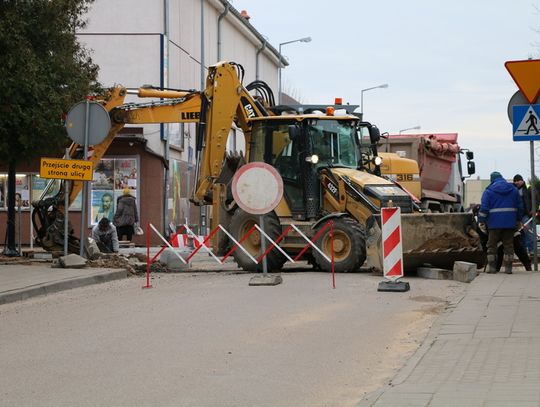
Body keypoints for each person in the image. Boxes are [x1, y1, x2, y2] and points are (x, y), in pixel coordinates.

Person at [478, 171, 523, 274]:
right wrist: (518, 219)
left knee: (491, 245)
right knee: (508, 245)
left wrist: (481, 221)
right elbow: (520, 207)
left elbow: (484, 208)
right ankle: (508, 269)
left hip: (493, 224)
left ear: (492, 180)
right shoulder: (514, 190)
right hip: (510, 223)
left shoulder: (488, 191)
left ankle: (492, 268)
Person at [513, 174, 537, 254]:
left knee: (528, 232)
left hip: (526, 215)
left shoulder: (528, 188)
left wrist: (534, 209)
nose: (516, 182)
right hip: (517, 216)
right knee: (520, 234)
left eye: (518, 180)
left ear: (522, 180)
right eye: (515, 181)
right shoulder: (514, 189)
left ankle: (532, 250)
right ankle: (523, 251)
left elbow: (536, 199)